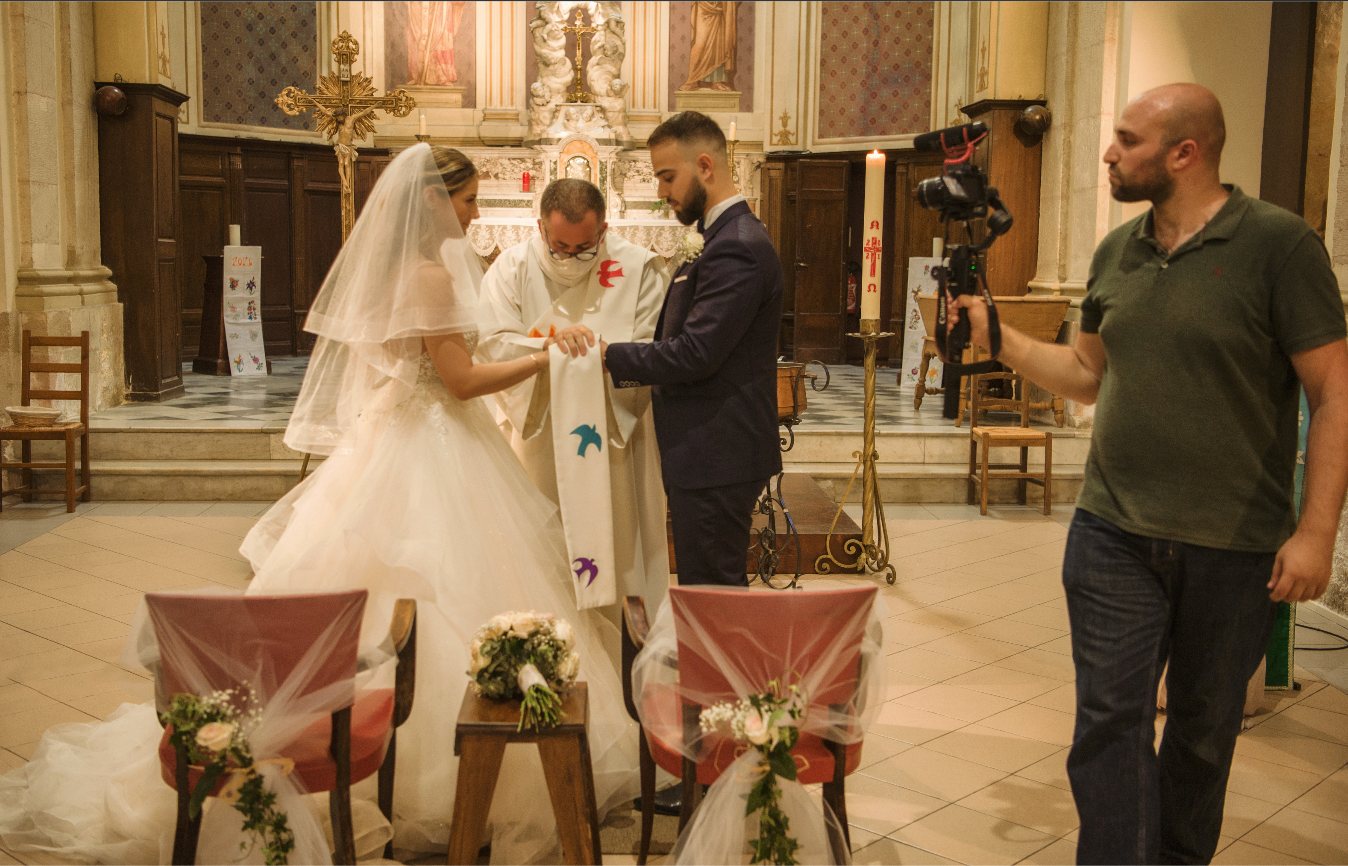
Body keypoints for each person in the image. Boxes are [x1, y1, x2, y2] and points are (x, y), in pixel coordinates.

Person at [0, 145, 639, 865]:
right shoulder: (429, 273)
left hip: (401, 436)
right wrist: (547, 358)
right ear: (435, 200)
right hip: (437, 444)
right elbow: (458, 380)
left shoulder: (411, 269)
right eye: (466, 200)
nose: (475, 212)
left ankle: (368, 759)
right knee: (442, 592)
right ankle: (431, 780)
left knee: (379, 590)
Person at [946, 83, 1348, 864]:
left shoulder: (1279, 246)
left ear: (1184, 153)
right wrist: (1002, 341)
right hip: (1112, 533)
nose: (1107, 152)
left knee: (1201, 737)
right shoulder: (1116, 251)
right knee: (1108, 724)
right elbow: (1088, 372)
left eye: (1126, 140)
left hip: (1231, 545)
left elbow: (1333, 391)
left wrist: (1316, 530)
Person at [585, 110, 784, 587]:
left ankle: (719, 665)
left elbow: (695, 353)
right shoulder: (719, 238)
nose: (661, 191)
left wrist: (606, 353)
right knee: (707, 589)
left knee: (712, 594)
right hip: (710, 450)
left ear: (706, 166)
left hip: (719, 452)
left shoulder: (735, 246)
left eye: (667, 176)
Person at [477, 178, 670, 617]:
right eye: (558, 246)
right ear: (540, 226)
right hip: (536, 438)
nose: (567, 259)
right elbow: (491, 346)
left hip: (614, 446)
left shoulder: (639, 269)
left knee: (618, 539)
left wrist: (586, 354)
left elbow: (649, 353)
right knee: (539, 554)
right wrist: (550, 348)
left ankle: (625, 644)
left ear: (604, 230)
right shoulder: (511, 268)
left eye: (583, 248)